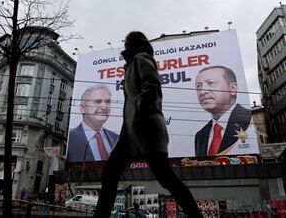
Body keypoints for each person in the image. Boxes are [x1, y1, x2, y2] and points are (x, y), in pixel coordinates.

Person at [93, 31, 203, 218]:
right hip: (130, 132)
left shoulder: (141, 58)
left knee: (166, 179)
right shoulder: (130, 64)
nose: (124, 44)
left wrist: (139, 110)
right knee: (110, 175)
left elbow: (151, 85)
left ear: (130, 43)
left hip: (146, 128)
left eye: (125, 41)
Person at [194, 65, 253, 156]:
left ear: (233, 89)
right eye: (198, 86)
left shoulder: (250, 120)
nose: (202, 91)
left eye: (211, 83)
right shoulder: (200, 135)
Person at [67, 84, 119, 162]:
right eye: (98, 101)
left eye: (108, 102)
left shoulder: (117, 139)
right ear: (83, 108)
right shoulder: (70, 138)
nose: (104, 107)